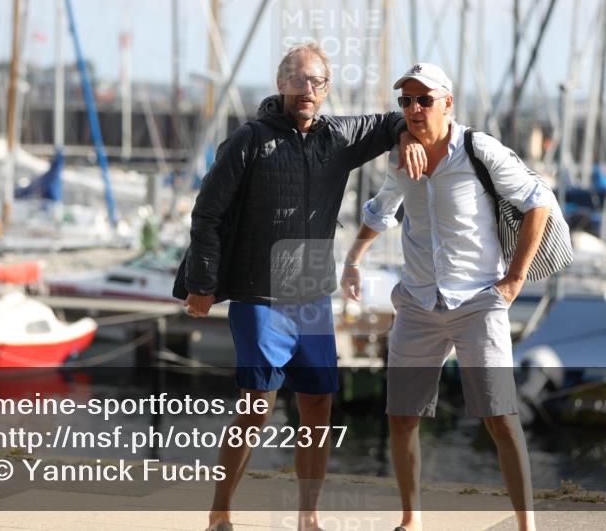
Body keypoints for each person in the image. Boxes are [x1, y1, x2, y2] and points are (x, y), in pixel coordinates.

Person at [183, 43, 426, 531]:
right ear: (281, 85)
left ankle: (308, 518)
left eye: (316, 82)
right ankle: (220, 510)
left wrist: (406, 134)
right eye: (298, 80)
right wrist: (202, 283)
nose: (307, 90)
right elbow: (207, 214)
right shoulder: (248, 141)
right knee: (257, 407)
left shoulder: (337, 137)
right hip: (260, 293)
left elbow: (386, 123)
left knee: (318, 407)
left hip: (312, 294)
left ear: (327, 88)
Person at [342, 63, 552, 531]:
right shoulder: (404, 159)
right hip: (417, 302)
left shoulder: (479, 150)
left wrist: (515, 280)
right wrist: (354, 259)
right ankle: (411, 519)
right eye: (406, 101)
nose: (414, 109)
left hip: (478, 301)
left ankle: (526, 525)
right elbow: (382, 210)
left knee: (500, 416)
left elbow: (537, 201)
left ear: (447, 103)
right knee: (401, 416)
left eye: (424, 100)